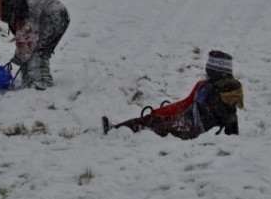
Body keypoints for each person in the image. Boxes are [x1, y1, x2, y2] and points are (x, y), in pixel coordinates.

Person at [103, 50, 243, 140]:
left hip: (192, 129)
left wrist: (232, 138)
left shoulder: (227, 91)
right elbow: (185, 103)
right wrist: (157, 112)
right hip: (187, 121)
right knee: (154, 120)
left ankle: (120, 131)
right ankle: (117, 128)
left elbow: (230, 117)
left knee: (157, 126)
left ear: (216, 72)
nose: (206, 73)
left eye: (209, 70)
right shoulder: (206, 86)